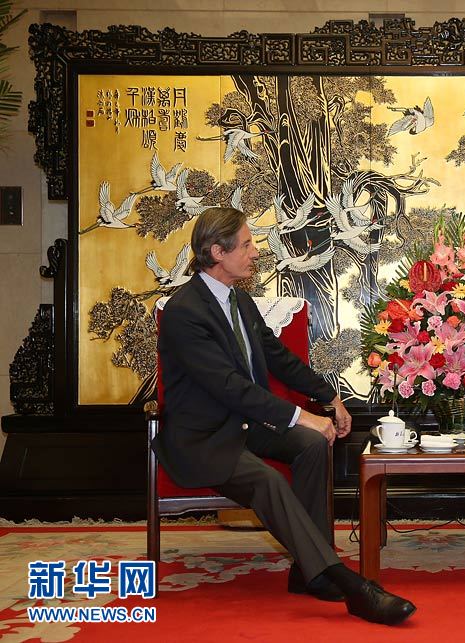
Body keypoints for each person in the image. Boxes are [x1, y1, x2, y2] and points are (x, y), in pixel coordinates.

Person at [151, 206, 415, 625]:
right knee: (271, 478)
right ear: (217, 252)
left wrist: (329, 397)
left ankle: (306, 573)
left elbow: (277, 358)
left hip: (243, 425)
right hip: (202, 439)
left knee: (312, 446)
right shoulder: (186, 311)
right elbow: (228, 387)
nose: (257, 251)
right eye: (248, 244)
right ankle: (346, 583)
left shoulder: (237, 299)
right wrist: (300, 416)